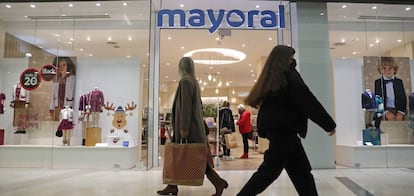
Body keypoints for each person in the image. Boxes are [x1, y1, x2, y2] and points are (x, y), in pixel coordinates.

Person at [237, 45, 336, 196]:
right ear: (285, 60)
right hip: (285, 132)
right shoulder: (289, 76)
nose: (293, 60)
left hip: (282, 132)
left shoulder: (273, 78)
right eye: (291, 57)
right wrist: (328, 124)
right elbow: (307, 100)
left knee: (302, 172)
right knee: (269, 171)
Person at [157, 57, 228, 196]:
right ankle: (172, 185)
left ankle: (217, 182)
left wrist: (183, 127)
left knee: (189, 156)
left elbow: (186, 106)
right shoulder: (193, 82)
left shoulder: (185, 82)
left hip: (189, 129)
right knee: (188, 156)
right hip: (193, 128)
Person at [374, 57, 407, 121]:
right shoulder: (378, 82)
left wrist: (401, 112)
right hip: (384, 111)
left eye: (390, 68)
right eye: (384, 68)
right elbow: (378, 100)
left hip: (398, 111)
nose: (387, 70)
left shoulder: (399, 82)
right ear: (380, 70)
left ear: (394, 69)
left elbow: (403, 98)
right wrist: (385, 112)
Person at [50, 57, 76, 121]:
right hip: (58, 106)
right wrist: (51, 108)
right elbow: (53, 95)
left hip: (68, 106)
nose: (61, 68)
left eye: (64, 65)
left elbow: (74, 93)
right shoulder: (57, 79)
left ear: (68, 66)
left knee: (66, 123)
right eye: (59, 66)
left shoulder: (72, 79)